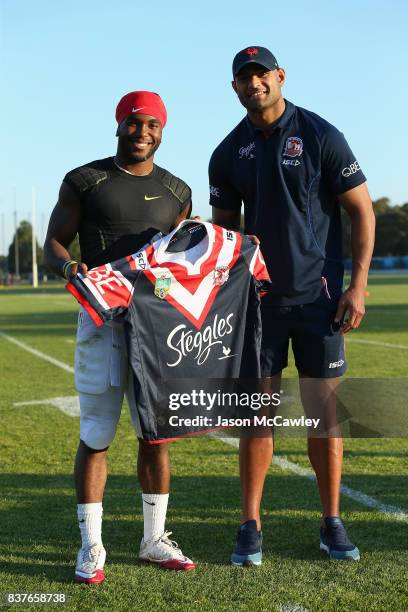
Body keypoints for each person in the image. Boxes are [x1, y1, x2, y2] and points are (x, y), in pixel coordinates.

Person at [209, 46, 375, 565]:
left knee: (324, 417)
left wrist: (359, 285)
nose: (254, 83)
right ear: (234, 87)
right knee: (257, 419)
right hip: (258, 308)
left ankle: (331, 521)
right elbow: (223, 236)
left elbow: (362, 211)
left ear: (280, 77)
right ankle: (250, 526)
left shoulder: (322, 135)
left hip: (320, 302)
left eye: (262, 74)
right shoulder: (226, 153)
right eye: (245, 78)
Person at [44, 91, 196, 584]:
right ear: (119, 126)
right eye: (134, 123)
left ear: (163, 130)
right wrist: (70, 267)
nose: (143, 132)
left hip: (156, 328)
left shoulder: (178, 189)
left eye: (152, 124)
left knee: (157, 433)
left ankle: (154, 539)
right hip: (102, 320)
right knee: (97, 436)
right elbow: (54, 241)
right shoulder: (86, 180)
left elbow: (182, 260)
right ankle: (91, 545)